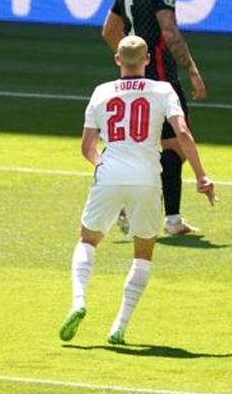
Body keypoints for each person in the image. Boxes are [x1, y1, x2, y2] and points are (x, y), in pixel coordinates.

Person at [59, 36, 215, 345]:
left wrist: (105, 167)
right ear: (146, 61)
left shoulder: (101, 92)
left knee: (88, 240)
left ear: (118, 60)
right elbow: (182, 132)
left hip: (110, 171)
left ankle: (78, 301)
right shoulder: (162, 90)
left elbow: (87, 148)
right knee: (143, 252)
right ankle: (119, 325)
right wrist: (201, 176)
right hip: (147, 176)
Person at [101, 0, 208, 236]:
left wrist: (127, 59)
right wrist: (192, 70)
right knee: (176, 147)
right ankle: (159, 216)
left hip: (133, 77)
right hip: (160, 79)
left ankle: (159, 214)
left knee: (153, 147)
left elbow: (108, 31)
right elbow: (170, 32)